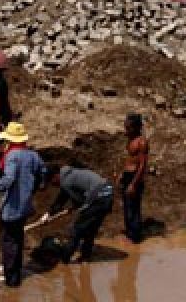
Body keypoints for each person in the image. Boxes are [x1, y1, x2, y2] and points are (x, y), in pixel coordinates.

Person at [0, 122, 45, 288]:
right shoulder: (33, 155)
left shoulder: (12, 156)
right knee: (17, 239)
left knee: (9, 243)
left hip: (11, 209)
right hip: (25, 207)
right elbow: (43, 173)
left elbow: (8, 179)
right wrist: (31, 189)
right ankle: (15, 273)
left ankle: (11, 281)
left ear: (10, 140)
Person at [36, 163, 114, 263]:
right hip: (108, 194)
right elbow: (61, 200)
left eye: (51, 181)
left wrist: (78, 204)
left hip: (98, 198)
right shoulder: (70, 175)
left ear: (56, 175)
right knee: (91, 229)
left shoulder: (65, 181)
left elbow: (78, 200)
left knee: (77, 230)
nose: (52, 184)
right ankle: (85, 256)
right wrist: (48, 215)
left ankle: (66, 257)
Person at [119, 112, 148, 243]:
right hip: (127, 174)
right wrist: (122, 173)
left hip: (135, 176)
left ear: (136, 127)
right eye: (126, 127)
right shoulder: (130, 139)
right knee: (126, 205)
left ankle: (135, 237)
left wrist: (134, 183)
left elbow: (142, 165)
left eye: (129, 128)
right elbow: (130, 159)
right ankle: (129, 232)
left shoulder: (142, 142)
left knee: (133, 207)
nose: (126, 130)